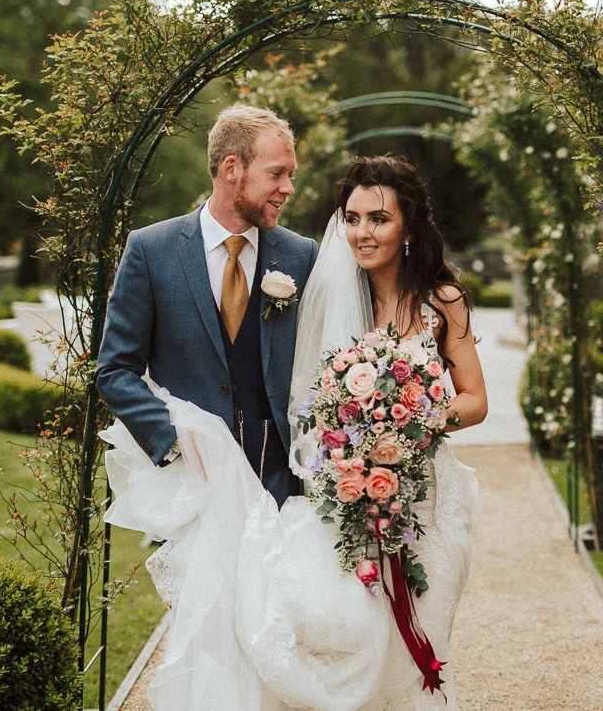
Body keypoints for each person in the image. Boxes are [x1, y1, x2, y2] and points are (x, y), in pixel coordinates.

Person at [101, 153, 486, 711]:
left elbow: (474, 400)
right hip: (345, 489)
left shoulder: (442, 300)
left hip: (422, 492)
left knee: (421, 632)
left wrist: (409, 417)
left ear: (408, 227)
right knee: (349, 627)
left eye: (378, 219)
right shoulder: (327, 284)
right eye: (352, 218)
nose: (362, 232)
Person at [96, 103, 320, 508]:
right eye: (277, 173)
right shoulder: (151, 250)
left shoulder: (301, 255)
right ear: (232, 168)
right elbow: (115, 370)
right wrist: (175, 439)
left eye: (290, 175)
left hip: (279, 486)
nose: (288, 188)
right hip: (190, 491)